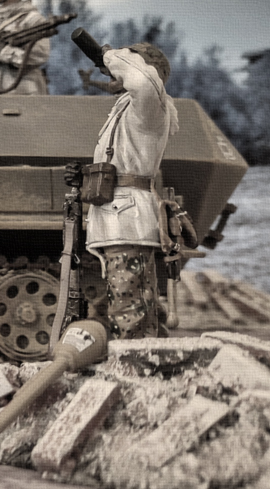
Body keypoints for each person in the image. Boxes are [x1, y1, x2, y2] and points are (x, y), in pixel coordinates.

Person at [77, 43, 178, 339]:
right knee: (131, 305)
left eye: (129, 60)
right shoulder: (127, 108)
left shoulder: (150, 105)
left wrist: (110, 56)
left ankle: (132, 362)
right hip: (118, 216)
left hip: (127, 219)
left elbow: (145, 82)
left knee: (128, 308)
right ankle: (141, 359)